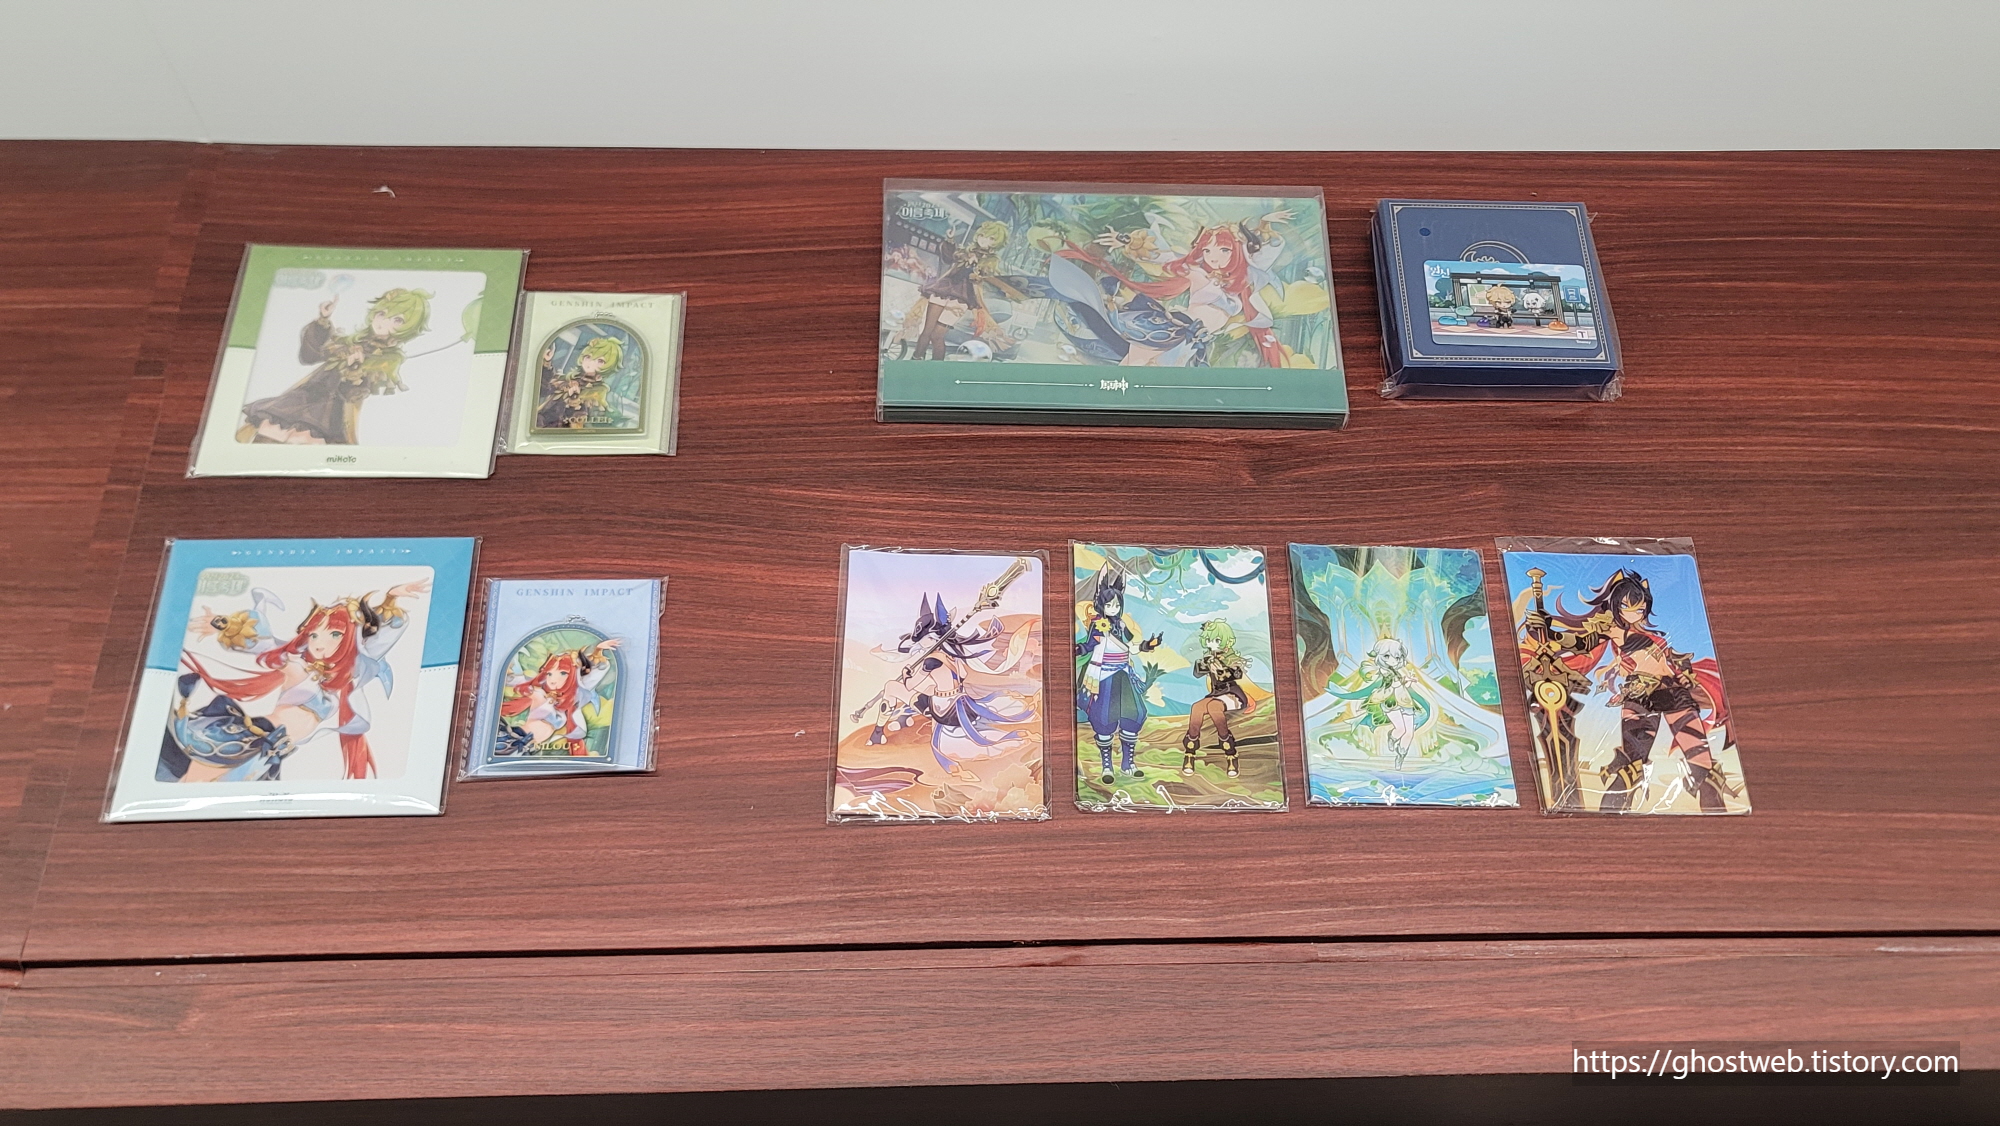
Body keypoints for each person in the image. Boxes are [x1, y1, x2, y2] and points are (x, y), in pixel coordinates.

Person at [167, 581, 430, 782]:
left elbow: (379, 641)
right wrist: (224, 624)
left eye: (334, 634)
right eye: (313, 635)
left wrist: (391, 598)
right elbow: (264, 646)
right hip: (252, 736)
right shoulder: (297, 664)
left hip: (273, 750)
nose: (319, 643)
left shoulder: (348, 673)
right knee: (193, 785)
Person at [1522, 570, 1736, 812]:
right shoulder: (1614, 630)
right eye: (1629, 606)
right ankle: (1609, 817)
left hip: (1674, 693)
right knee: (1632, 763)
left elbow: (1674, 663)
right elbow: (1581, 643)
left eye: (1641, 607)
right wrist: (1549, 630)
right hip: (1640, 695)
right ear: (1617, 606)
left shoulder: (1654, 636)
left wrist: (1685, 675)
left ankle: (1717, 815)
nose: (1637, 612)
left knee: (1702, 763)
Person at [240, 288, 431, 444]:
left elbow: (354, 394)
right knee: (270, 429)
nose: (383, 322)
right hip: (305, 394)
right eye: (381, 313)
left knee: (300, 440)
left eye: (397, 320)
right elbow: (310, 356)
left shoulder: (388, 359)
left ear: (408, 328)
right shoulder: (351, 341)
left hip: (330, 410)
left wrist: (355, 369)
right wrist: (323, 320)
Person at [1076, 565, 1163, 784]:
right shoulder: (1098, 624)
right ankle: (1107, 766)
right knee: (1104, 717)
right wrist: (1077, 649)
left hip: (1124, 673)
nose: (1113, 608)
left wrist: (1149, 644)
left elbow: (1132, 644)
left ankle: (1128, 764)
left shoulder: (1121, 624)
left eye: (1117, 605)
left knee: (1134, 714)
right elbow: (1089, 645)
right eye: (1109, 605)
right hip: (1105, 676)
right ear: (1101, 604)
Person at [497, 638, 621, 756]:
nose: (552, 680)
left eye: (563, 673)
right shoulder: (540, 690)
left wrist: (598, 650)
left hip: (525, 745)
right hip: (513, 739)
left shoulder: (576, 693)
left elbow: (597, 670)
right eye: (549, 673)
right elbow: (516, 680)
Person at [1183, 619, 1250, 776]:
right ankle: (1190, 752)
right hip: (1215, 694)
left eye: (1216, 640)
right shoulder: (1209, 658)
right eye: (1208, 640)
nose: (1211, 643)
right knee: (1197, 707)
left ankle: (1230, 753)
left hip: (1232, 693)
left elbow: (1237, 674)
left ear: (1226, 640)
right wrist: (1207, 663)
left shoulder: (1232, 657)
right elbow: (1196, 673)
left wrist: (1220, 670)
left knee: (1213, 707)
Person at [535, 334, 624, 430]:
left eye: (600, 361)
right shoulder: (570, 378)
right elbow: (543, 390)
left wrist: (574, 398)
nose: (590, 362)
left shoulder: (598, 390)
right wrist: (547, 362)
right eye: (588, 357)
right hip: (539, 423)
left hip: (559, 432)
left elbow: (581, 422)